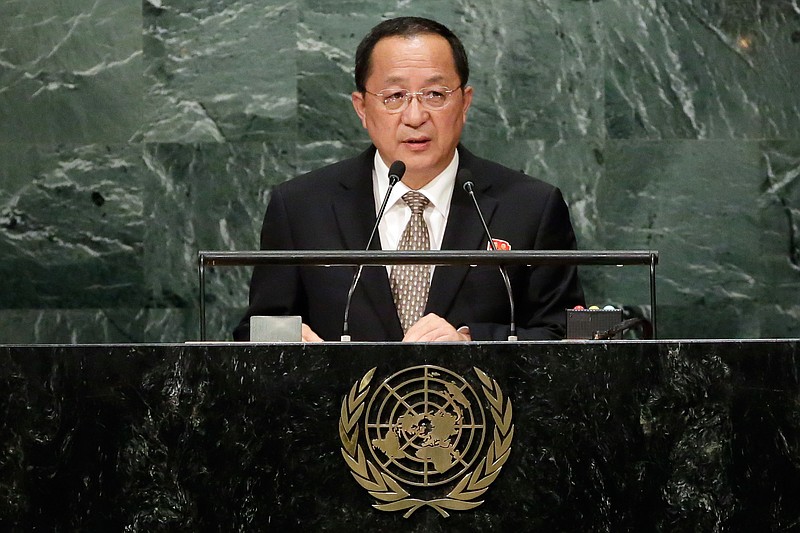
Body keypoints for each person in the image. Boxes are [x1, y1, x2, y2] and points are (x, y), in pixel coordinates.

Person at [233, 16, 584, 342]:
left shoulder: (529, 207)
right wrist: (282, 339)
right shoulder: (301, 207)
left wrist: (470, 339)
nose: (415, 116)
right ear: (361, 108)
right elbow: (256, 328)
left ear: (465, 103)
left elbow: (569, 333)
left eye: (435, 94)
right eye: (395, 96)